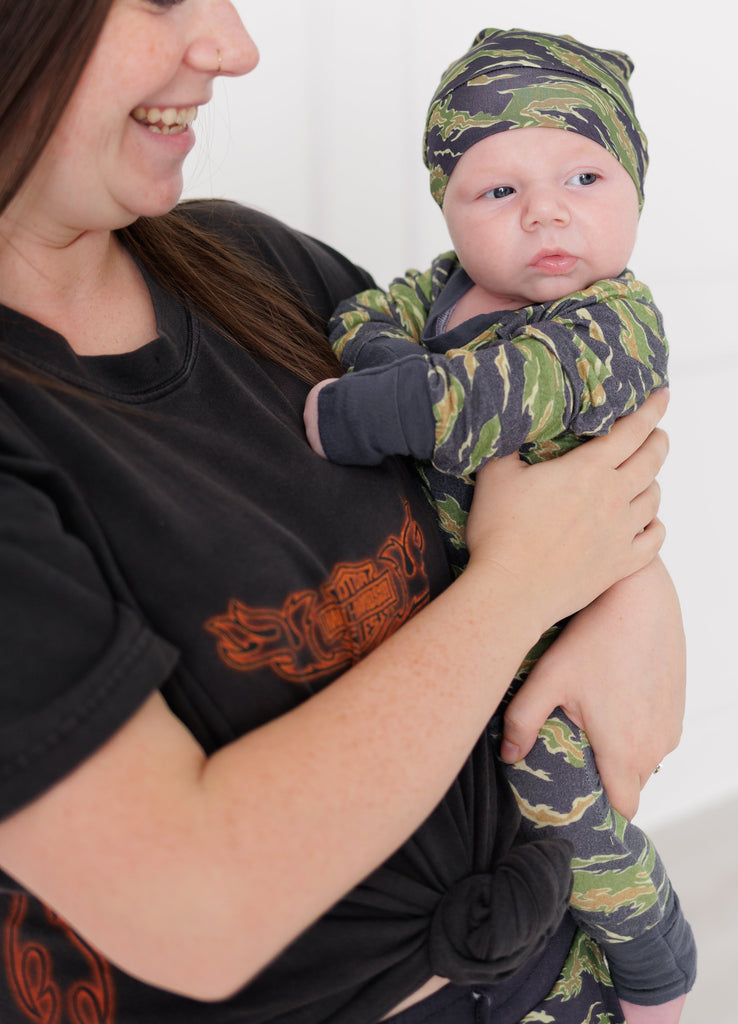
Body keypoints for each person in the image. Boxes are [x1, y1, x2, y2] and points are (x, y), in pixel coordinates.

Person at [0, 3, 684, 1023]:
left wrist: (632, 590)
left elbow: (532, 481)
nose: (234, 46)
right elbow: (198, 908)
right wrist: (523, 588)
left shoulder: (253, 264)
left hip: (551, 973)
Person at [303, 28, 695, 1021]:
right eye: (498, 192)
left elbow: (499, 397)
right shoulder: (434, 292)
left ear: (635, 191)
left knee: (557, 785)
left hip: (566, 629)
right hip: (467, 622)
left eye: (583, 175)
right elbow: (357, 315)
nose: (547, 211)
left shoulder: (615, 320)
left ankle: (652, 951)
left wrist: (364, 411)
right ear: (448, 207)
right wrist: (389, 348)